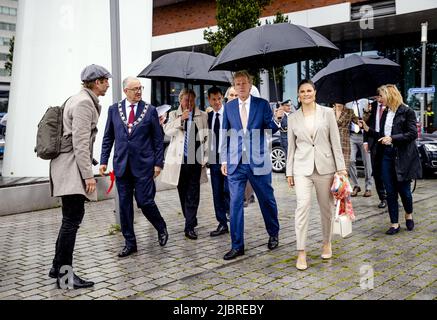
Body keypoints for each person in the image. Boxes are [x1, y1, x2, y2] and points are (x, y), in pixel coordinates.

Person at [49, 64, 111, 289]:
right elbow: (81, 143)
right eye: (105, 80)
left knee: (69, 220)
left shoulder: (75, 99)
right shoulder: (85, 103)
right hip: (71, 170)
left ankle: (57, 267)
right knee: (71, 222)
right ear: (96, 82)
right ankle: (65, 277)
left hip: (65, 167)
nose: (108, 84)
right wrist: (89, 176)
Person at [99, 77, 168, 258]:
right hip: (122, 165)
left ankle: (161, 226)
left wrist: (158, 163)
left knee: (144, 201)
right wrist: (104, 160)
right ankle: (130, 242)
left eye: (140, 88)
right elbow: (108, 137)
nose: (138, 91)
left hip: (144, 165)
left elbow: (157, 139)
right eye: (134, 89)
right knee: (124, 205)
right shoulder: (114, 110)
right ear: (125, 91)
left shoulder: (150, 110)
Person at [286, 79, 347, 271]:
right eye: (302, 91)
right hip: (301, 167)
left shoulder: (327, 113)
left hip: (325, 166)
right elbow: (291, 147)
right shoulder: (292, 118)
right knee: (302, 207)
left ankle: (327, 242)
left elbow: (335, 142)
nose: (306, 94)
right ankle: (301, 251)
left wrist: (341, 168)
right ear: (298, 95)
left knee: (326, 209)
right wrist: (289, 171)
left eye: (309, 90)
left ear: (315, 93)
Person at [221, 70, 280, 260]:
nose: (240, 87)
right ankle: (237, 245)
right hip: (235, 162)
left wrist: (276, 118)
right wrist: (223, 159)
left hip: (258, 160)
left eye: (244, 83)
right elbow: (225, 134)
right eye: (237, 84)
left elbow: (270, 127)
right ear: (233, 86)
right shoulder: (228, 107)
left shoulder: (261, 105)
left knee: (266, 199)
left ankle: (273, 233)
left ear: (250, 84)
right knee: (235, 203)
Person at [360, 84, 421, 235]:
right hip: (386, 156)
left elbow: (413, 134)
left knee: (405, 191)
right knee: (390, 191)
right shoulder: (385, 113)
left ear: (390, 95)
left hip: (402, 156)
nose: (379, 100)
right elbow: (381, 134)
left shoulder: (407, 111)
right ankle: (394, 223)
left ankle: (408, 213)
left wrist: (393, 138)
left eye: (381, 96)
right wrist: (367, 129)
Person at [161, 88, 209, 240]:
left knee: (193, 193)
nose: (189, 103)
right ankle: (191, 219)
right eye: (186, 100)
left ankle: (189, 227)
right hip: (179, 161)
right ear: (180, 100)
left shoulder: (202, 115)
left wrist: (205, 158)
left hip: (195, 159)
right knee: (182, 192)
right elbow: (167, 132)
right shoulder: (173, 114)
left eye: (192, 100)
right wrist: (181, 119)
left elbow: (207, 137)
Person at [225, 85, 255, 207]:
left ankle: (245, 197)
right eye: (231, 95)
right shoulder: (223, 110)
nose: (233, 97)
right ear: (227, 97)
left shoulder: (246, 110)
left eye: (236, 95)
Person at [207, 86, 230, 237]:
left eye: (219, 99)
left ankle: (232, 219)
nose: (217, 102)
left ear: (223, 98)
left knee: (228, 191)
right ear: (209, 100)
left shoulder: (229, 114)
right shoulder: (208, 117)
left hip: (228, 158)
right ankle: (222, 223)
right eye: (213, 99)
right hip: (214, 159)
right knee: (216, 193)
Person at [363, 91, 387, 209]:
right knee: (376, 172)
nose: (378, 99)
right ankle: (382, 198)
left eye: (380, 96)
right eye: (376, 96)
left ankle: (392, 196)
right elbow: (366, 124)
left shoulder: (391, 105)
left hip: (388, 141)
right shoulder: (372, 106)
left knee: (388, 170)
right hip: (374, 142)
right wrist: (365, 141)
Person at [347, 99, 373, 197]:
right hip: (352, 135)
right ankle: (356, 185)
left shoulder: (367, 101)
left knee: (367, 162)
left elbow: (369, 119)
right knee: (350, 160)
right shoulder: (347, 103)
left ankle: (368, 187)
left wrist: (367, 112)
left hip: (364, 136)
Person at [330, 102, 359, 170]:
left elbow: (359, 122)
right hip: (332, 142)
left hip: (344, 143)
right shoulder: (329, 112)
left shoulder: (349, 111)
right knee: (331, 169)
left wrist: (366, 113)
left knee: (343, 169)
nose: (338, 101)